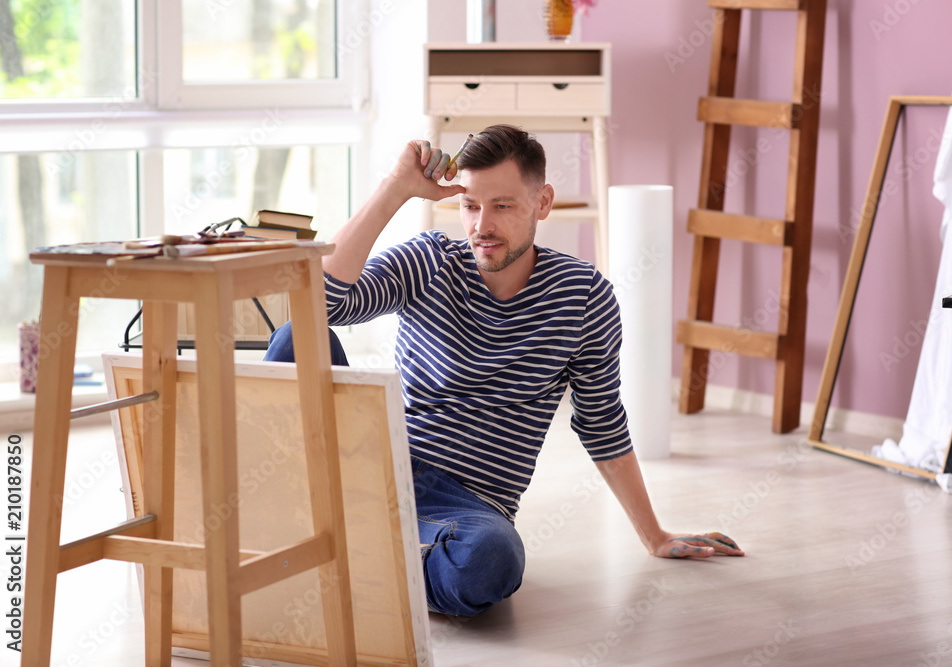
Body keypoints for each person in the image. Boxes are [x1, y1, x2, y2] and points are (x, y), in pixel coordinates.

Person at [264, 124, 744, 617]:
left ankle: (342, 544)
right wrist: (395, 188)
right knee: (296, 336)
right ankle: (364, 542)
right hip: (373, 463)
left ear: (542, 203)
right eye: (470, 205)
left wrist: (655, 536)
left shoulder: (583, 297)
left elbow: (601, 422)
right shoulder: (430, 261)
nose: (481, 225)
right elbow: (320, 304)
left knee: (493, 561)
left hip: (466, 508)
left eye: (503, 205)